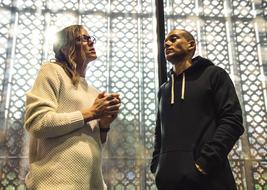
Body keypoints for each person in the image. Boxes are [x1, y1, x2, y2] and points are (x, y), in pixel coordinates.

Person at [24, 25, 121, 190]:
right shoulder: (52, 71)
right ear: (65, 48)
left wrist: (103, 125)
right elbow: (38, 124)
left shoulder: (93, 92)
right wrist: (91, 113)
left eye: (91, 38)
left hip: (92, 184)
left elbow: (92, 143)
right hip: (55, 183)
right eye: (82, 38)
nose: (90, 42)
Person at [150, 29, 244, 190]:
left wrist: (204, 164)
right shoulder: (164, 89)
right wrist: (157, 165)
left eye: (173, 39)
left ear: (191, 45)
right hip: (169, 182)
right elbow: (160, 132)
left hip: (210, 179)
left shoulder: (214, 75)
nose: (166, 43)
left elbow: (232, 121)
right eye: (166, 41)